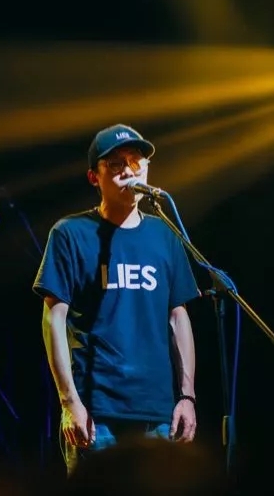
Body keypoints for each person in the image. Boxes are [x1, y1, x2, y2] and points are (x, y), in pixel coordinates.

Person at [33, 124, 201, 476]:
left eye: (136, 161)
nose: (128, 170)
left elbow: (178, 316)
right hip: (97, 411)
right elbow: (53, 319)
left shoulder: (165, 235)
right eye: (115, 164)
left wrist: (187, 396)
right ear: (94, 177)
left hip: (157, 411)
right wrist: (69, 402)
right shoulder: (70, 233)